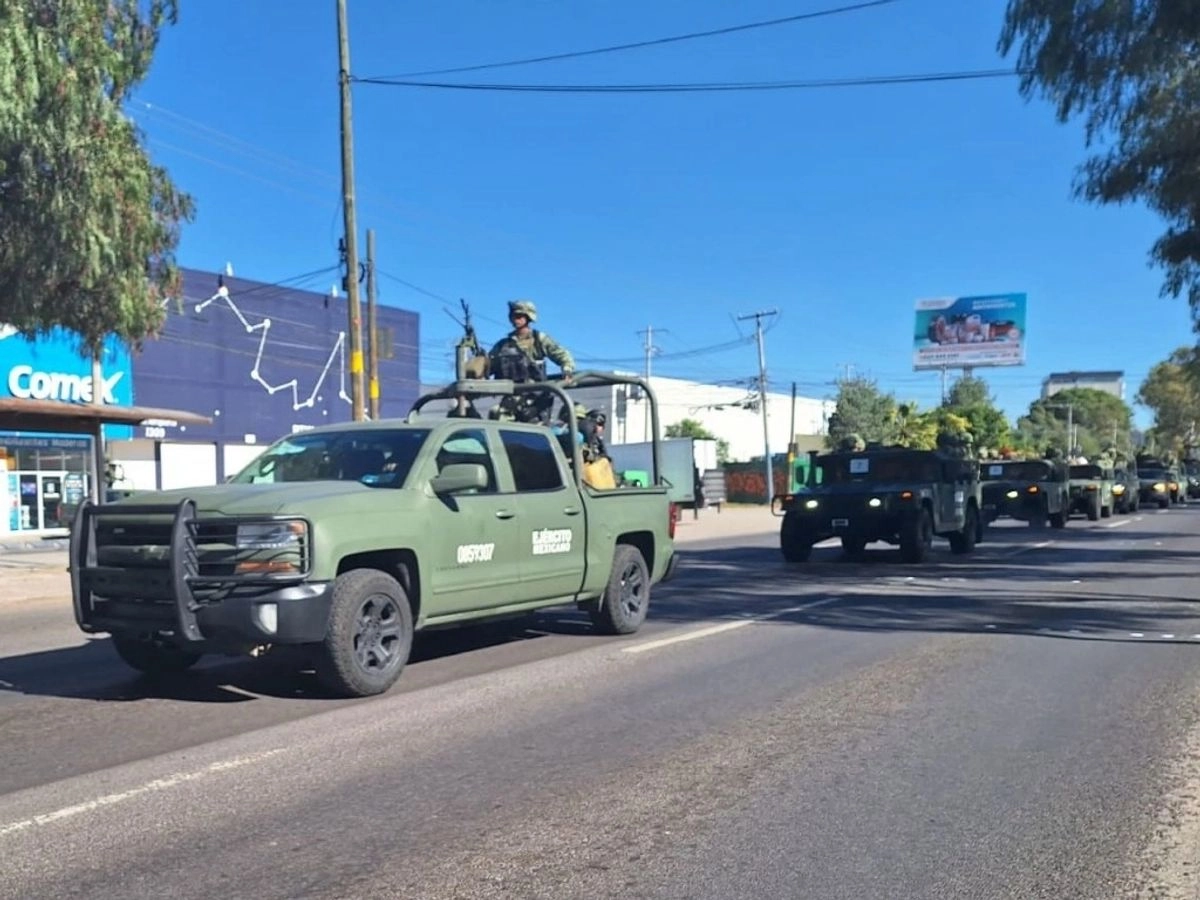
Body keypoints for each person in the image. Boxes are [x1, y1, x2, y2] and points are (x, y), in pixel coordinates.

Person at [487, 299, 575, 383]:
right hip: (510, 391)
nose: (515, 319)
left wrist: (567, 370)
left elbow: (563, 356)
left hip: (535, 390)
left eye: (519, 316)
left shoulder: (539, 339)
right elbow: (487, 366)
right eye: (513, 316)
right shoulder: (502, 345)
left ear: (528, 317)